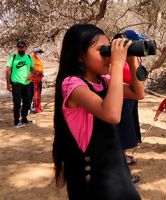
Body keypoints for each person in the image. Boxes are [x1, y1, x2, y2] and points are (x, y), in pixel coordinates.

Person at [52, 24, 143, 199]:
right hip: (95, 183)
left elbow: (137, 93)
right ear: (80, 56)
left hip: (117, 172)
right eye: (103, 51)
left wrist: (131, 60)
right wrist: (117, 64)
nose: (109, 56)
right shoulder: (71, 84)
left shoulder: (104, 81)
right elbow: (112, 114)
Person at [115, 30, 145, 166]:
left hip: (132, 95)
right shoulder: (117, 57)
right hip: (122, 96)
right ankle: (120, 159)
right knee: (122, 128)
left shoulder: (134, 56)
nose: (139, 44)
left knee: (129, 126)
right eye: (136, 41)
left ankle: (123, 155)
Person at [6, 40, 34, 128]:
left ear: (26, 48)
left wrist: (31, 74)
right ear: (17, 48)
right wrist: (8, 83)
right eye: (19, 47)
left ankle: (24, 119)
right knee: (17, 103)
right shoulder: (13, 57)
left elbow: (33, 69)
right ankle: (16, 121)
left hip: (27, 83)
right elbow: (8, 71)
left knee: (27, 102)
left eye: (23, 47)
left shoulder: (29, 58)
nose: (21, 49)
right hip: (16, 83)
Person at [30, 47, 45, 113]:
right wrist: (38, 72)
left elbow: (41, 69)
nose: (40, 54)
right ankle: (33, 108)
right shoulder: (32, 59)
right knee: (34, 94)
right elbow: (31, 69)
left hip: (39, 79)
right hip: (34, 79)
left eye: (40, 53)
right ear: (35, 52)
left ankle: (38, 107)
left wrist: (42, 73)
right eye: (39, 52)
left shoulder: (39, 60)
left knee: (38, 93)